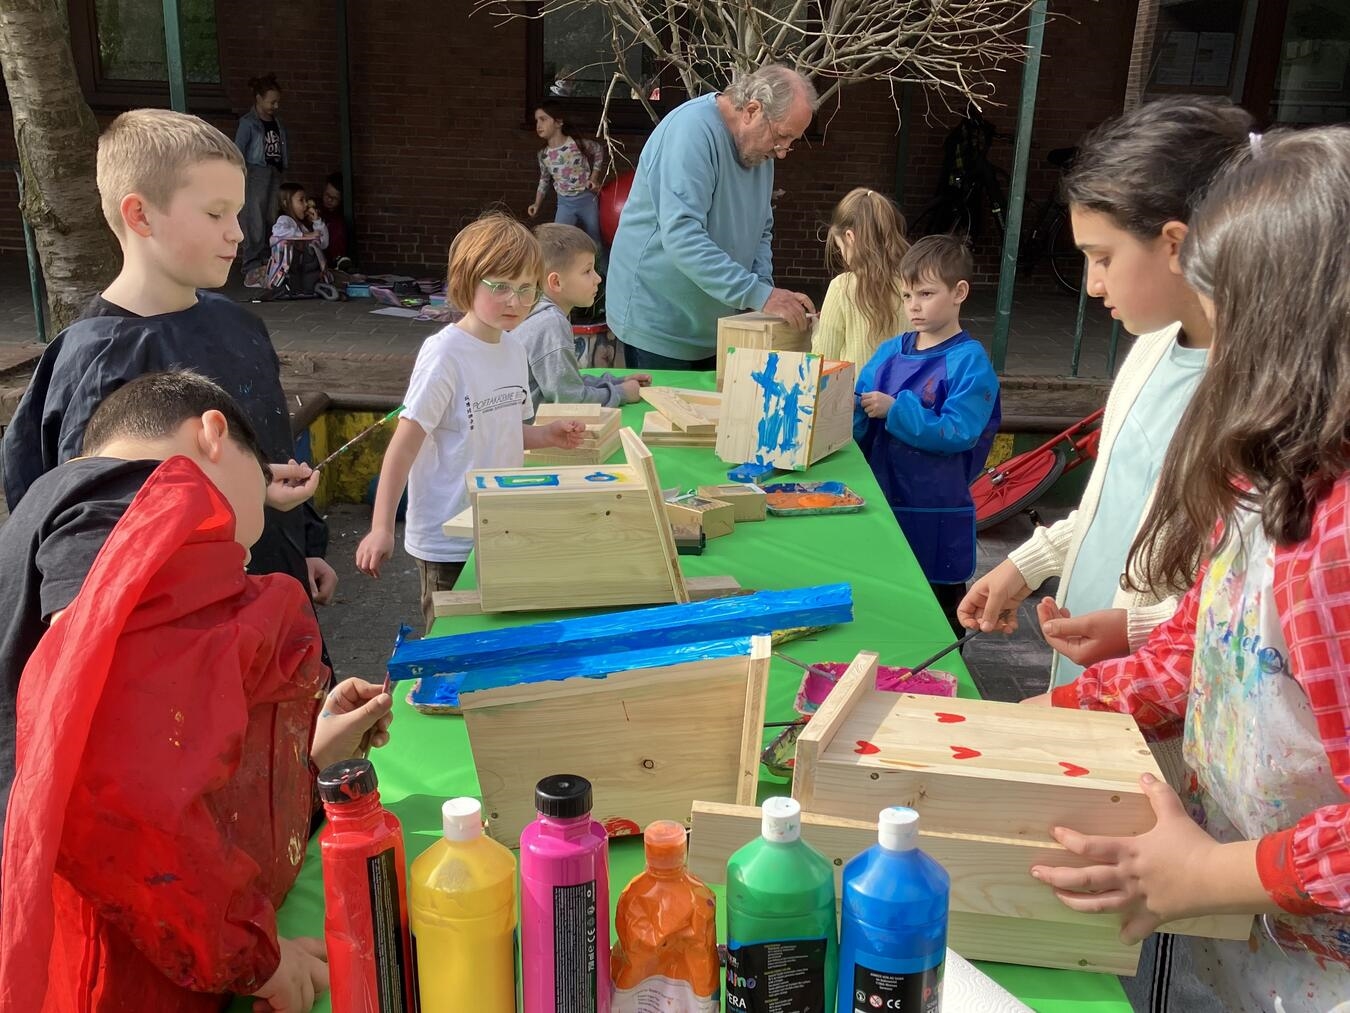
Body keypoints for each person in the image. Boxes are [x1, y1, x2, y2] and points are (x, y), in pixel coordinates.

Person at [1031, 124, 1350, 1013]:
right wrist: (1038, 719)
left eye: (1221, 313)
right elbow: (1197, 655)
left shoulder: (1337, 538)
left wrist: (1211, 870)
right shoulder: (1266, 476)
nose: (1204, 350)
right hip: (1233, 944)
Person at [957, 96, 1255, 1013]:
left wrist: (1135, 626)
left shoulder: (1255, 388)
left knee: (1148, 920)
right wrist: (1033, 561)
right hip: (1098, 666)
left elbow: (1239, 591)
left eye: (1100, 257)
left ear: (1175, 242)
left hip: (1175, 709)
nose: (1089, 284)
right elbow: (1108, 502)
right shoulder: (1151, 346)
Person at [0, 372, 395, 1013]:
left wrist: (305, 755)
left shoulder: (48, 511)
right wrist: (252, 955)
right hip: (113, 970)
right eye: (235, 540)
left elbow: (153, 729)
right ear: (212, 434)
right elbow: (124, 784)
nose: (241, 559)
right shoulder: (122, 507)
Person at [1, 108, 337, 626]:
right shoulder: (96, 361)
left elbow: (268, 442)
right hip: (178, 634)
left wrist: (303, 542)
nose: (239, 235)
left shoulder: (240, 325)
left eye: (238, 213)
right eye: (214, 214)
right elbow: (90, 532)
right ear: (140, 215)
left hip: (274, 595)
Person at [355, 213, 586, 633]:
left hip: (499, 525)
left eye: (525, 288)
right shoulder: (445, 355)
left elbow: (503, 431)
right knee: (452, 641)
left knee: (495, 633)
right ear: (467, 281)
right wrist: (380, 528)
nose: (515, 301)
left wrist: (546, 436)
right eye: (500, 287)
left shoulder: (514, 349)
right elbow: (403, 447)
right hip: (447, 540)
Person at [605, 64, 819, 369]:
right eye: (782, 136)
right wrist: (759, 294)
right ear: (752, 110)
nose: (783, 151)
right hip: (658, 324)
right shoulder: (691, 132)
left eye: (791, 142)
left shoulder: (760, 149)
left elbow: (761, 229)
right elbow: (683, 237)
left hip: (717, 327)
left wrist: (764, 294)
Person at [855, 234, 1000, 637]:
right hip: (881, 497)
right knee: (884, 603)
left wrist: (895, 409)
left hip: (935, 505)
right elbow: (856, 409)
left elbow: (959, 431)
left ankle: (944, 679)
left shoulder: (969, 361)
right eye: (906, 295)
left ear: (959, 293)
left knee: (940, 615)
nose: (913, 305)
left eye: (926, 293)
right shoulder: (889, 351)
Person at [515, 223, 650, 412]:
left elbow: (567, 382)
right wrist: (621, 393)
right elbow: (569, 401)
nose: (598, 278)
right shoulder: (551, 323)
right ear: (556, 282)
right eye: (587, 271)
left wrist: (616, 381)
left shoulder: (543, 312)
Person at [811, 187, 911, 366]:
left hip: (856, 393)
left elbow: (823, 359)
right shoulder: (914, 284)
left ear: (850, 237)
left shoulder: (841, 287)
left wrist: (816, 328)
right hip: (903, 394)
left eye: (840, 247)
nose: (842, 255)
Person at [526, 101, 606, 250]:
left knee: (595, 237)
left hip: (587, 199)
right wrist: (537, 204)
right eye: (536, 120)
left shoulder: (576, 144)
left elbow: (599, 150)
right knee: (559, 239)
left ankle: (602, 270)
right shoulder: (543, 155)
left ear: (558, 122)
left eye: (543, 119)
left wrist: (593, 178)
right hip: (564, 204)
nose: (538, 125)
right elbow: (544, 180)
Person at [235, 73, 288, 288]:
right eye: (271, 101)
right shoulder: (248, 124)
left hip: (273, 171)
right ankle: (251, 264)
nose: (275, 106)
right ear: (258, 99)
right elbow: (238, 150)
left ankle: (268, 259)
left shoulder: (276, 122)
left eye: (277, 102)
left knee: (271, 216)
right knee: (254, 217)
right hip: (255, 172)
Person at [267, 183, 331, 299]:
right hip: (291, 270)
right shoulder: (284, 220)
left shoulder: (302, 226)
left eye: (306, 200)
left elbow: (323, 243)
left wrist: (317, 222)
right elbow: (278, 231)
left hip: (305, 271)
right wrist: (304, 235)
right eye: (301, 200)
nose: (306, 204)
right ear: (286, 203)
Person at [319, 171, 351, 266]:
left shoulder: (339, 219)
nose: (329, 200)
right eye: (327, 195)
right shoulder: (316, 210)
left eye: (334, 198)